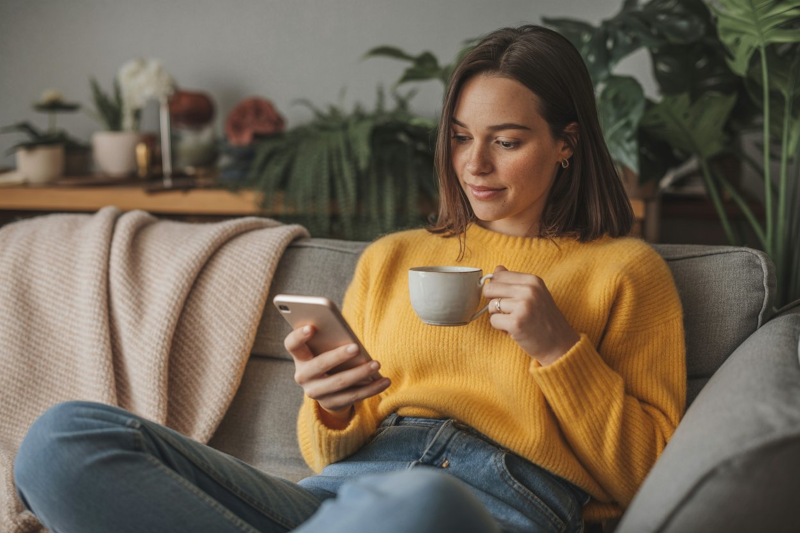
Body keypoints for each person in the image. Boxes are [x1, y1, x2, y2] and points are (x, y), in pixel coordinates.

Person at [13, 25, 685, 533]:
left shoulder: (625, 271)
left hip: (489, 504)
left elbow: (652, 474)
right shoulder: (393, 257)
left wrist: (558, 351)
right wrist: (332, 404)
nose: (473, 164)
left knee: (418, 500)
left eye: (506, 141)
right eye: (458, 137)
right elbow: (325, 448)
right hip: (333, 498)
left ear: (567, 142)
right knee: (59, 440)